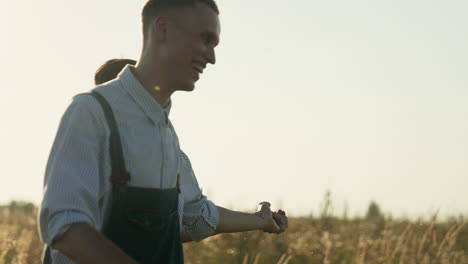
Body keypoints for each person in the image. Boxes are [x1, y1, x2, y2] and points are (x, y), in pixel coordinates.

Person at [39, 1, 288, 263]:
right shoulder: (92, 112)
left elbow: (196, 218)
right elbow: (64, 226)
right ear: (163, 29)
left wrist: (260, 220)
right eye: (205, 39)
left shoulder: (167, 137)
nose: (212, 58)